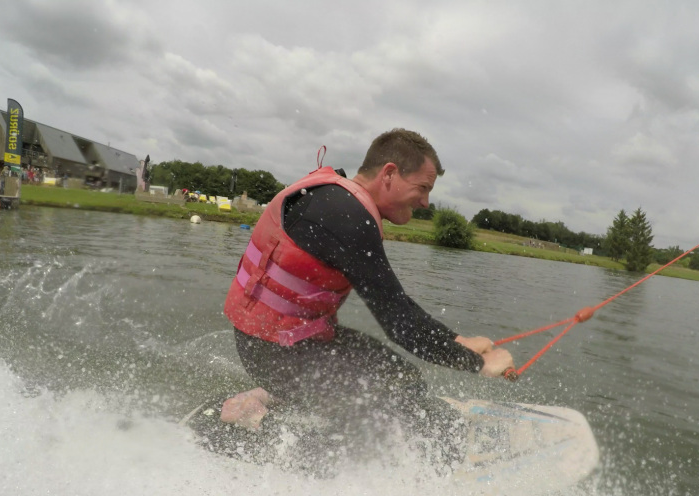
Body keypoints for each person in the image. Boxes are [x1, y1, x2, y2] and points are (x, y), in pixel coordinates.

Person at [221, 128, 515, 471]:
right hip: (277, 352)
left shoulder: (334, 196)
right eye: (423, 188)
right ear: (389, 173)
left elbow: (397, 303)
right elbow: (400, 324)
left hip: (277, 344)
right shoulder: (347, 217)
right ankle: (292, 458)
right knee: (388, 405)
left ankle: (265, 398)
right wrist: (477, 364)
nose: (425, 202)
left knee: (403, 380)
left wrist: (458, 341)